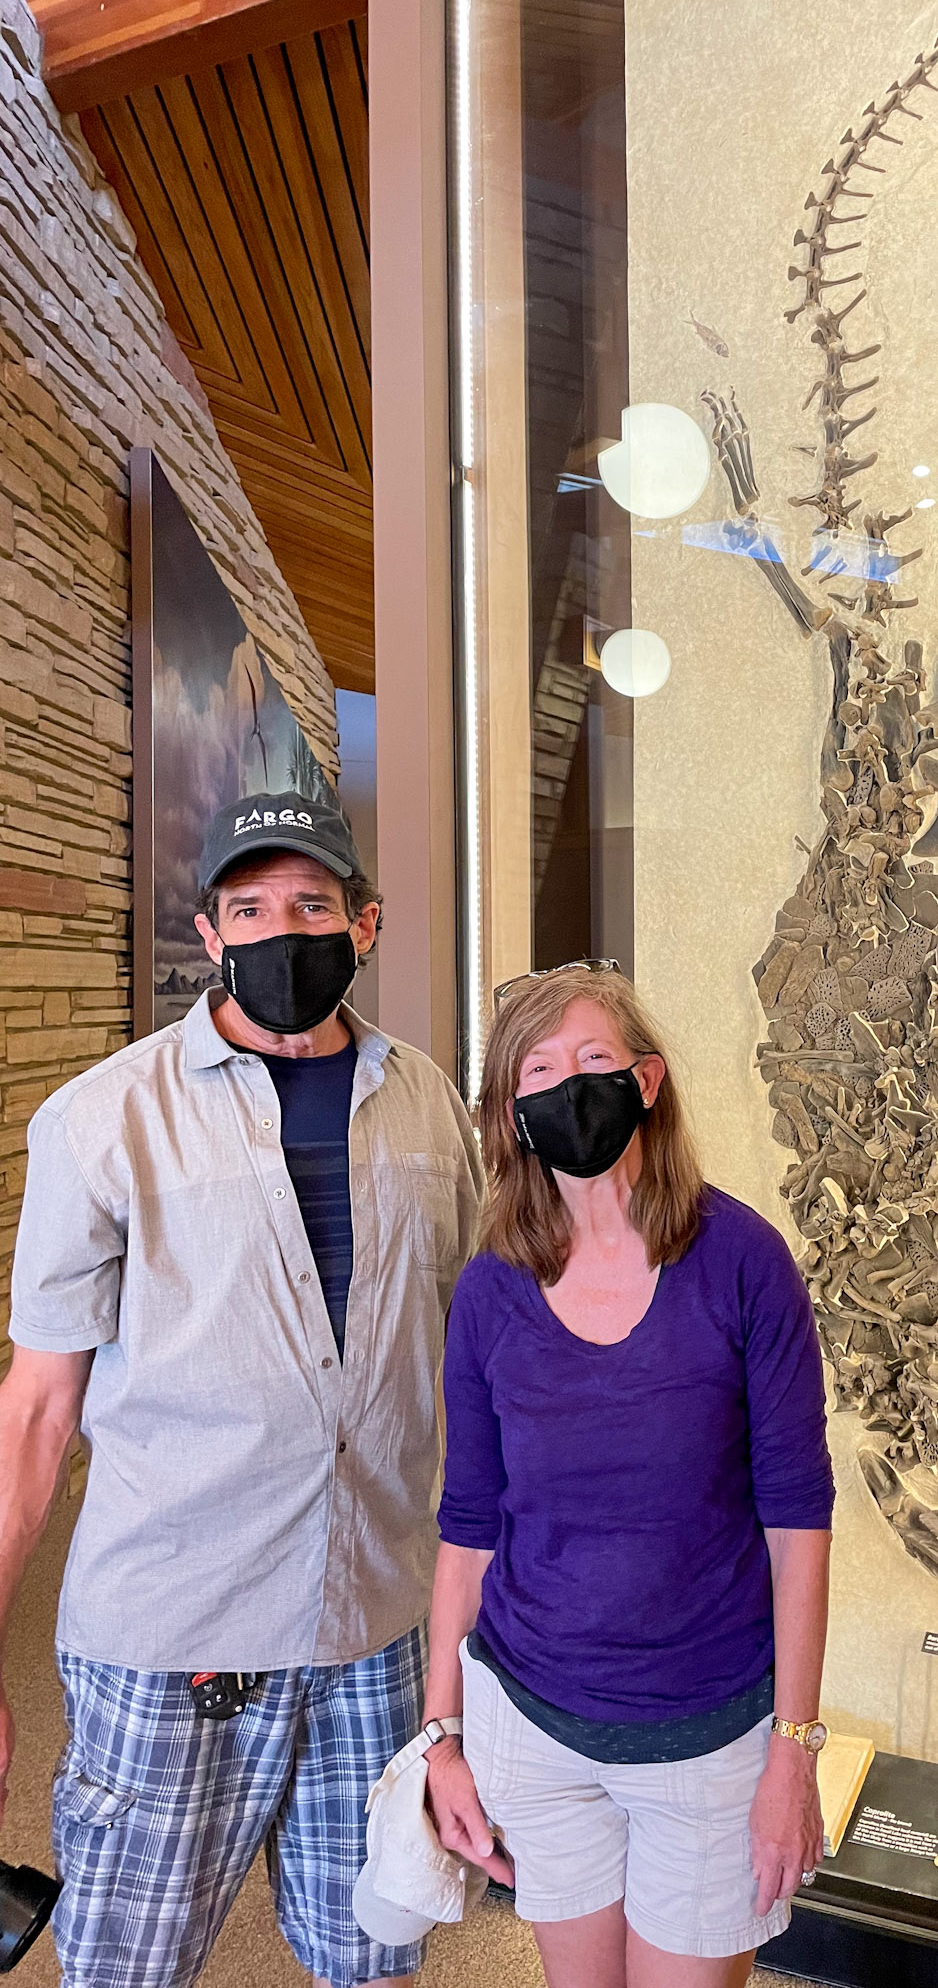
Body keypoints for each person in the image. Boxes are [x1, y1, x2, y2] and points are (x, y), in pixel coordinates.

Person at [0, 792, 484, 1988]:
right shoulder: (100, 1120)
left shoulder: (428, 1102)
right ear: (210, 932)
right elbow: (36, 1407)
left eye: (313, 904)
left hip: (376, 1625)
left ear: (366, 923)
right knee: (128, 1967)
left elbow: (469, 1351)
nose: (284, 930)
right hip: (175, 1638)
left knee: (373, 1957)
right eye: (251, 907)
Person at [420, 961, 835, 1988]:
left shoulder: (744, 1263)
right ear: (512, 1114)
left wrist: (795, 1748)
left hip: (708, 1739)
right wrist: (441, 1736)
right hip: (536, 1726)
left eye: (594, 1061)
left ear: (648, 1081)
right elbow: (469, 1523)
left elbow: (799, 1523)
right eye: (540, 1071)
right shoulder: (489, 1290)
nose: (569, 1088)